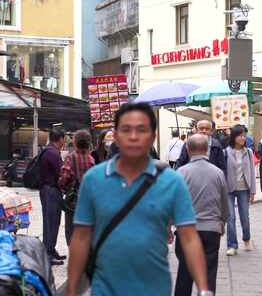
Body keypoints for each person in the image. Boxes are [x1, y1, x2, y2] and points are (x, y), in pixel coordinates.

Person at [67, 103, 211, 296]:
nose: (133, 136)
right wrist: (71, 289)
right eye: (126, 129)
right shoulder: (93, 180)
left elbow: (189, 237)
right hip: (105, 288)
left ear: (153, 136)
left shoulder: (172, 182)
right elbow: (81, 237)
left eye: (141, 130)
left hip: (155, 288)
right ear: (115, 136)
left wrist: (203, 289)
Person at [176, 134, 230, 295]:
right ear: (207, 150)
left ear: (187, 149)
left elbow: (174, 203)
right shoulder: (218, 173)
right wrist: (223, 222)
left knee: (184, 272)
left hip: (186, 230)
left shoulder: (181, 172)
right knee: (209, 272)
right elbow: (224, 203)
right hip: (211, 229)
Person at [58, 130, 95, 246]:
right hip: (87, 199)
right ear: (88, 143)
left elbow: (64, 177)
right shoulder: (91, 159)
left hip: (72, 200)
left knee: (70, 227)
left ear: (75, 143)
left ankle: (73, 251)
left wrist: (62, 186)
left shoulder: (70, 157)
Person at [224, 125, 256, 256]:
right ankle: (232, 245)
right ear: (234, 137)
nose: (243, 138)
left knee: (245, 217)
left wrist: (253, 190)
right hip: (229, 189)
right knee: (230, 218)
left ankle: (247, 238)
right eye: (240, 135)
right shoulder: (225, 152)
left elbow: (252, 172)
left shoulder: (248, 152)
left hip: (244, 188)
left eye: (244, 135)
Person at [39, 127, 67, 266]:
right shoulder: (52, 153)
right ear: (60, 139)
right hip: (50, 190)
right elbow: (60, 174)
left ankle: (51, 249)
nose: (65, 141)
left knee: (54, 221)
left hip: (49, 190)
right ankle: (48, 254)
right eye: (64, 138)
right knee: (50, 222)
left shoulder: (49, 151)